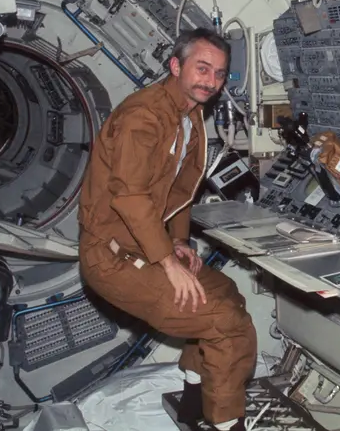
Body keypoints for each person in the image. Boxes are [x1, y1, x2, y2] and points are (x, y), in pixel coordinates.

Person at [78, 28, 257, 431]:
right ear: (176, 66)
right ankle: (227, 425)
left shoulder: (188, 114)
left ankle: (194, 393)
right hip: (111, 257)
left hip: (142, 245)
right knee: (224, 323)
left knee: (226, 292)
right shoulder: (145, 117)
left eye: (220, 74)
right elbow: (130, 197)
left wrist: (177, 240)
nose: (211, 82)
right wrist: (166, 262)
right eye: (202, 68)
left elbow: (179, 188)